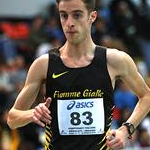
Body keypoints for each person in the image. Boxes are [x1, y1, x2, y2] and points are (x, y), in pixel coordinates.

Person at [7, 0, 150, 149]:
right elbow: (12, 118)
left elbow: (146, 96)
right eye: (64, 16)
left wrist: (126, 129)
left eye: (77, 15)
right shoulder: (44, 64)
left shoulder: (114, 60)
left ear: (92, 16)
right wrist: (33, 114)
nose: (69, 23)